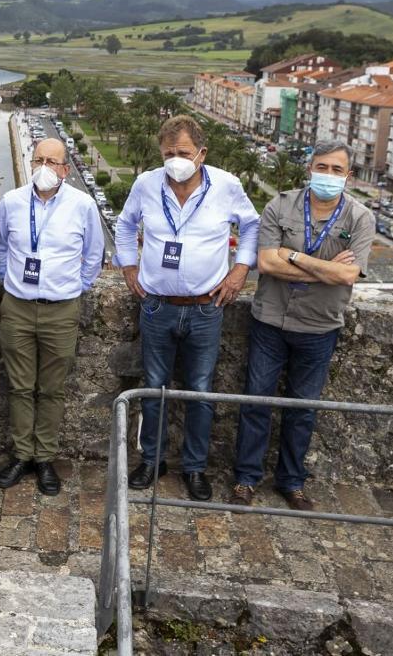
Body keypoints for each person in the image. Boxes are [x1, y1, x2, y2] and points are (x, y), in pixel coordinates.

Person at [115, 115, 259, 501]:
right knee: (153, 386)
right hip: (157, 305)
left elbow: (251, 226)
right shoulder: (146, 184)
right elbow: (125, 224)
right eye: (168, 154)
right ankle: (152, 460)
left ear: (201, 153)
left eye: (183, 153)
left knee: (200, 390)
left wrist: (240, 270)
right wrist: (128, 265)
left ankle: (195, 468)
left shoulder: (227, 186)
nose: (175, 160)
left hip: (206, 307)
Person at [230, 140, 372, 510]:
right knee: (255, 401)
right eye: (322, 167)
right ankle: (246, 479)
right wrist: (325, 270)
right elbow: (268, 263)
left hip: (319, 327)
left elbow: (348, 275)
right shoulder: (281, 204)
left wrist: (293, 255)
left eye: (337, 170)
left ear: (349, 176)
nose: (328, 175)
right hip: (270, 320)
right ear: (309, 169)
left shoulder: (359, 218)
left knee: (302, 409)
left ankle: (291, 482)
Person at [0, 137, 104, 496]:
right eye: (39, 159)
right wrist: (8, 284)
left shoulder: (83, 205)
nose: (45, 167)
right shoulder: (10, 202)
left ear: (65, 169)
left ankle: (45, 458)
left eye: (52, 162)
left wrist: (71, 287)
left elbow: (93, 256)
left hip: (61, 310)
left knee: (52, 389)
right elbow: (2, 250)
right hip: (18, 307)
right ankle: (22, 454)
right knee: (20, 386)